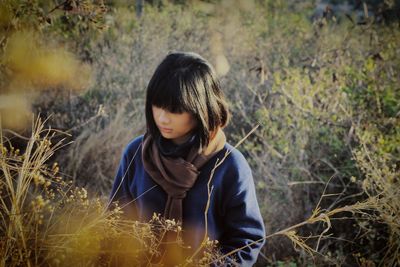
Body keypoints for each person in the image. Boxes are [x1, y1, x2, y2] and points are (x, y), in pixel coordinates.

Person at [109, 51, 265, 266]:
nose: (163, 118)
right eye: (158, 105)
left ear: (202, 109)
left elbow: (247, 240)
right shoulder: (137, 153)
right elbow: (114, 225)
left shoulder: (229, 165)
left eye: (176, 110)